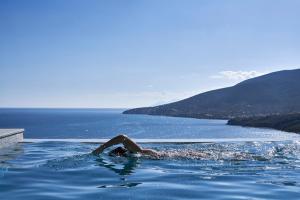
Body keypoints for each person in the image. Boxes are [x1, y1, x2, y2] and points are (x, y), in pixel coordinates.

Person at [92, 134, 159, 157]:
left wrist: (101, 148)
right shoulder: (135, 153)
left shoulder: (138, 151)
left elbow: (122, 137)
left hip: (163, 156)